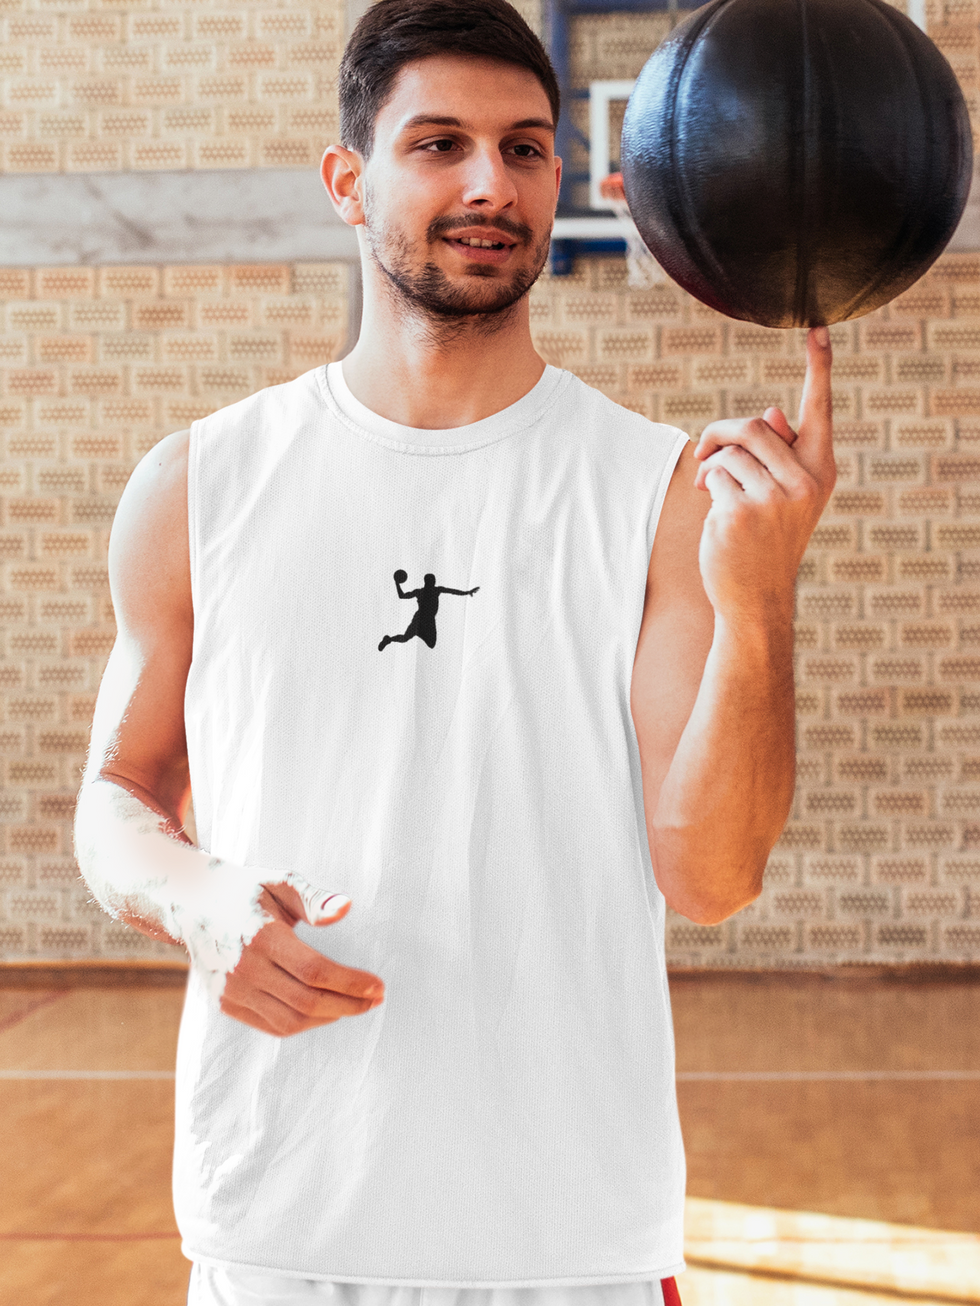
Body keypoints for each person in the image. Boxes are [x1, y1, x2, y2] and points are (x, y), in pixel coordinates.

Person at [73, 1, 836, 1304]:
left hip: (572, 1238)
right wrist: (197, 904)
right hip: (282, 1224)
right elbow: (117, 800)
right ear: (346, 180)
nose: (491, 181)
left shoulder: (658, 490)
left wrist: (759, 601)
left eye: (526, 148)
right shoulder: (200, 483)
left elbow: (709, 873)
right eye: (438, 144)